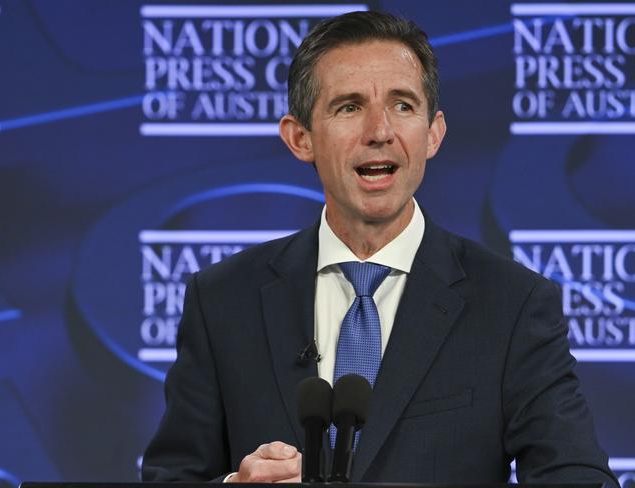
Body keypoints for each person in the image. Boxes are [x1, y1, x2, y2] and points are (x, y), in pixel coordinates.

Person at [142, 11, 618, 487]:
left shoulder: (512, 304)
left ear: (433, 133)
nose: (380, 131)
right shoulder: (224, 299)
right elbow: (171, 476)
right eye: (349, 107)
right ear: (300, 137)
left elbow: (576, 476)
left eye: (403, 106)